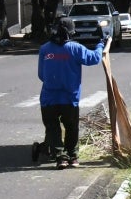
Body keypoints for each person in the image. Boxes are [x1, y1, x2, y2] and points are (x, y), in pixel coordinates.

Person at [37, 17, 107, 169]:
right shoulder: (75, 48)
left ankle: (60, 157)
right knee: (71, 127)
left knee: (53, 128)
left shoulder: (45, 49)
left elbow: (41, 75)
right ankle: (73, 156)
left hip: (49, 99)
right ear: (71, 32)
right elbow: (94, 58)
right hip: (69, 98)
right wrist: (101, 44)